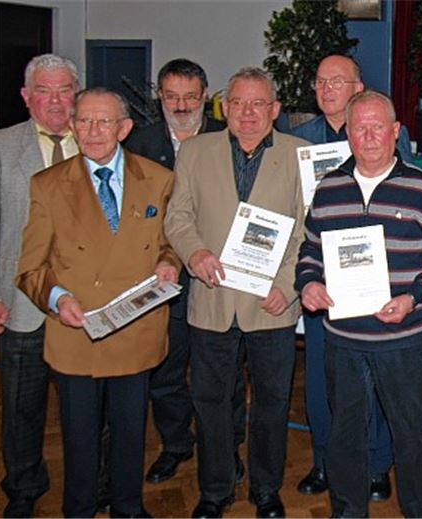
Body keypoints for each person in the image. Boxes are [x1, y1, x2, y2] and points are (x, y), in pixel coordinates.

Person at [15, 86, 181, 518]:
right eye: (84, 121)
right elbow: (30, 268)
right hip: (77, 333)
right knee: (79, 439)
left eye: (103, 121)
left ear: (124, 128)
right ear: (72, 126)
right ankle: (79, 510)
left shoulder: (158, 179)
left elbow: (171, 243)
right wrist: (58, 298)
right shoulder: (48, 185)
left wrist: (169, 263)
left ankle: (128, 507)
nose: (92, 131)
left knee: (130, 434)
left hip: (136, 329)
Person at [296, 90, 422, 518]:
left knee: (411, 435)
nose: (368, 136)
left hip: (403, 338)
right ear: (347, 133)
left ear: (396, 131)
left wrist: (412, 298)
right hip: (344, 340)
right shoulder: (328, 188)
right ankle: (348, 511)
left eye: (377, 127)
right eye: (359, 128)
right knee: (345, 433)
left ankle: (417, 511)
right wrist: (308, 284)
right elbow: (309, 251)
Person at [164, 67, 306, 519]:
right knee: (209, 403)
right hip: (212, 300)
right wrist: (194, 253)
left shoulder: (299, 154)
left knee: (271, 404)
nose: (247, 113)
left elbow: (309, 230)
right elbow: (177, 217)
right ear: (223, 107)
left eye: (257, 103)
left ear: (275, 109)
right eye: (238, 103)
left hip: (272, 305)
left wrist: (288, 286)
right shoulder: (195, 151)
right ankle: (214, 489)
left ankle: (266, 490)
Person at [286, 54, 405, 500]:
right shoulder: (297, 142)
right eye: (320, 81)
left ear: (358, 88)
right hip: (325, 283)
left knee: (374, 383)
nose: (326, 89)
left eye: (337, 81)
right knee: (321, 382)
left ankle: (376, 464)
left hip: (377, 282)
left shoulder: (388, 133)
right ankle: (324, 460)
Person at [124, 57, 247, 487]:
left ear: (205, 96)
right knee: (167, 371)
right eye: (172, 96)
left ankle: (227, 448)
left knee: (226, 373)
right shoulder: (139, 145)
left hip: (221, 276)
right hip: (164, 277)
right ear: (160, 96)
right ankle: (176, 444)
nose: (181, 106)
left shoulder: (230, 138)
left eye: (190, 97)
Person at [0, 53, 78, 518]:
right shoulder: (1, 146)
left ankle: (93, 481)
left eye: (64, 90)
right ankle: (23, 487)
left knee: (86, 404)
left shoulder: (97, 138)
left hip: (85, 301)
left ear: (76, 94)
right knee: (21, 404)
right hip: (21, 301)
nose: (55, 101)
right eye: (44, 91)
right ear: (27, 97)